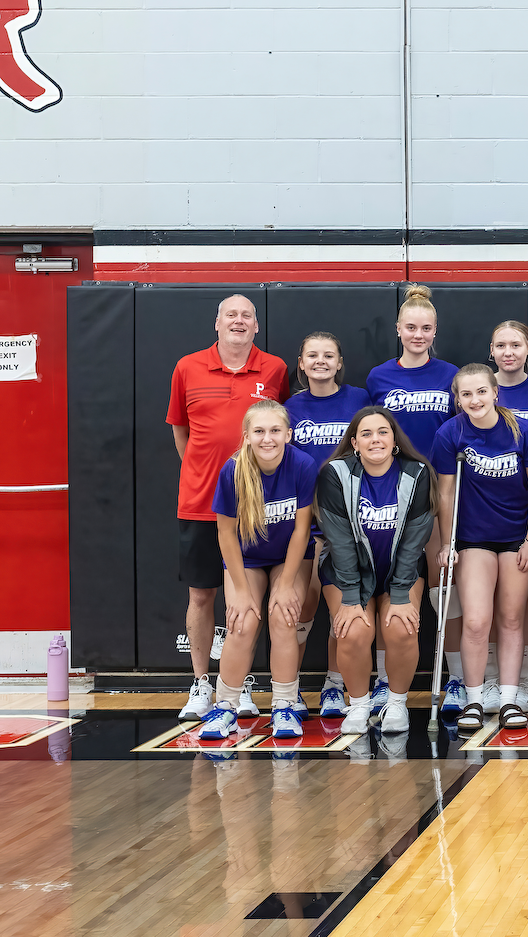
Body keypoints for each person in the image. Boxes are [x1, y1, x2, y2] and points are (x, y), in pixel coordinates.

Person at [169, 294, 289, 720]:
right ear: (216, 323)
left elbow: (278, 428)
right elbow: (181, 433)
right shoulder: (187, 367)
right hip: (201, 504)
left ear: (256, 326)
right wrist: (208, 474)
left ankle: (240, 683)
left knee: (248, 598)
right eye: (231, 315)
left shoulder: (275, 369)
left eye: (246, 316)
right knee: (202, 595)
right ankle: (201, 683)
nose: (238, 321)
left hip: (257, 508)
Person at [430, 365, 528, 732]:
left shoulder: (524, 432)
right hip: (473, 537)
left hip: (516, 536)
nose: (475, 400)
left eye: (481, 391)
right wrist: (447, 542)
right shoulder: (450, 433)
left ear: (496, 392)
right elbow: (445, 493)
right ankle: (475, 699)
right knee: (476, 620)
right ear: (457, 399)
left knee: (511, 618)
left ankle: (510, 698)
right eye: (466, 394)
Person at [196, 402, 319, 740]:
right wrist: (240, 590)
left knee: (283, 615)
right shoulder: (233, 470)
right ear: (247, 436)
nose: (268, 438)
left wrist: (286, 585)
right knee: (242, 622)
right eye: (260, 431)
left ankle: (284, 706)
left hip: (289, 556)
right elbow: (225, 534)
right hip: (246, 558)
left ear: (288, 434)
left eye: (275, 431)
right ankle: (225, 707)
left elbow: (302, 530)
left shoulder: (303, 465)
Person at [364, 284, 461, 713]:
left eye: (426, 328)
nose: (418, 335)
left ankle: (456, 677)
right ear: (398, 330)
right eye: (411, 328)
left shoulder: (451, 375)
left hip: (437, 489)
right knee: (388, 583)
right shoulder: (378, 377)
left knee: (443, 587)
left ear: (435, 331)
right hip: (390, 491)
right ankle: (385, 680)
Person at [315, 406, 436, 736]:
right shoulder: (335, 474)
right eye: (366, 434)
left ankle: (396, 703)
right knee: (353, 630)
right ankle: (358, 704)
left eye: (383, 432)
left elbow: (415, 539)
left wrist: (400, 593)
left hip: (400, 569)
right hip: (347, 571)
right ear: (354, 443)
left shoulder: (417, 473)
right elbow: (339, 541)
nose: (375, 439)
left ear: (394, 439)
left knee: (401, 627)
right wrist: (350, 597)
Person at [284, 332, 372, 719]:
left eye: (328, 355)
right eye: (313, 355)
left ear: (339, 363)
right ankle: (290, 688)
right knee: (302, 606)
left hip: (349, 520)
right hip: (305, 519)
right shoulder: (290, 407)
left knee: (342, 610)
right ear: (301, 364)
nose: (321, 361)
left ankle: (335, 685)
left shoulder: (359, 399)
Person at [483, 320, 528, 717]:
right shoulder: (478, 388)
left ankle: (522, 681)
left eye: (515, 345)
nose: (508, 352)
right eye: (501, 345)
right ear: (491, 351)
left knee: (524, 598)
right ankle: (491, 678)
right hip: (482, 508)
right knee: (484, 600)